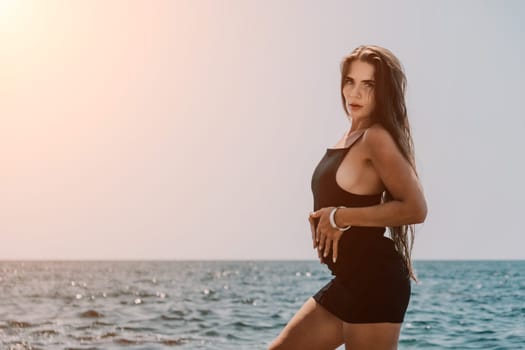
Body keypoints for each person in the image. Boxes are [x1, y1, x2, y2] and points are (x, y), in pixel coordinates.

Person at [268, 45, 427, 350]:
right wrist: (320, 221)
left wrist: (338, 217)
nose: (355, 93)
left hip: (375, 281)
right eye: (350, 82)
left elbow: (415, 208)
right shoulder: (348, 138)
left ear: (383, 92)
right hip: (349, 279)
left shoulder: (375, 138)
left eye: (368, 85)